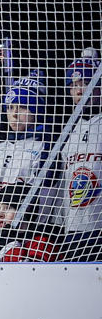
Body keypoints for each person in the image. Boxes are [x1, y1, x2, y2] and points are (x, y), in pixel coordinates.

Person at [0, 72, 56, 255]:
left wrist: (18, 224)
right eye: (10, 107)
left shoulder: (43, 148)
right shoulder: (0, 147)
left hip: (22, 235)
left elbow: (46, 198)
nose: (14, 114)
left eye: (23, 107)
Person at [60, 48, 102, 261]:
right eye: (73, 85)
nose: (78, 90)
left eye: (84, 83)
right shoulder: (67, 130)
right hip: (73, 229)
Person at [0, 183, 57, 262]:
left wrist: (10, 247)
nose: (0, 214)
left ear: (25, 211)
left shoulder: (41, 240)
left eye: (8, 208)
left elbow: (26, 268)